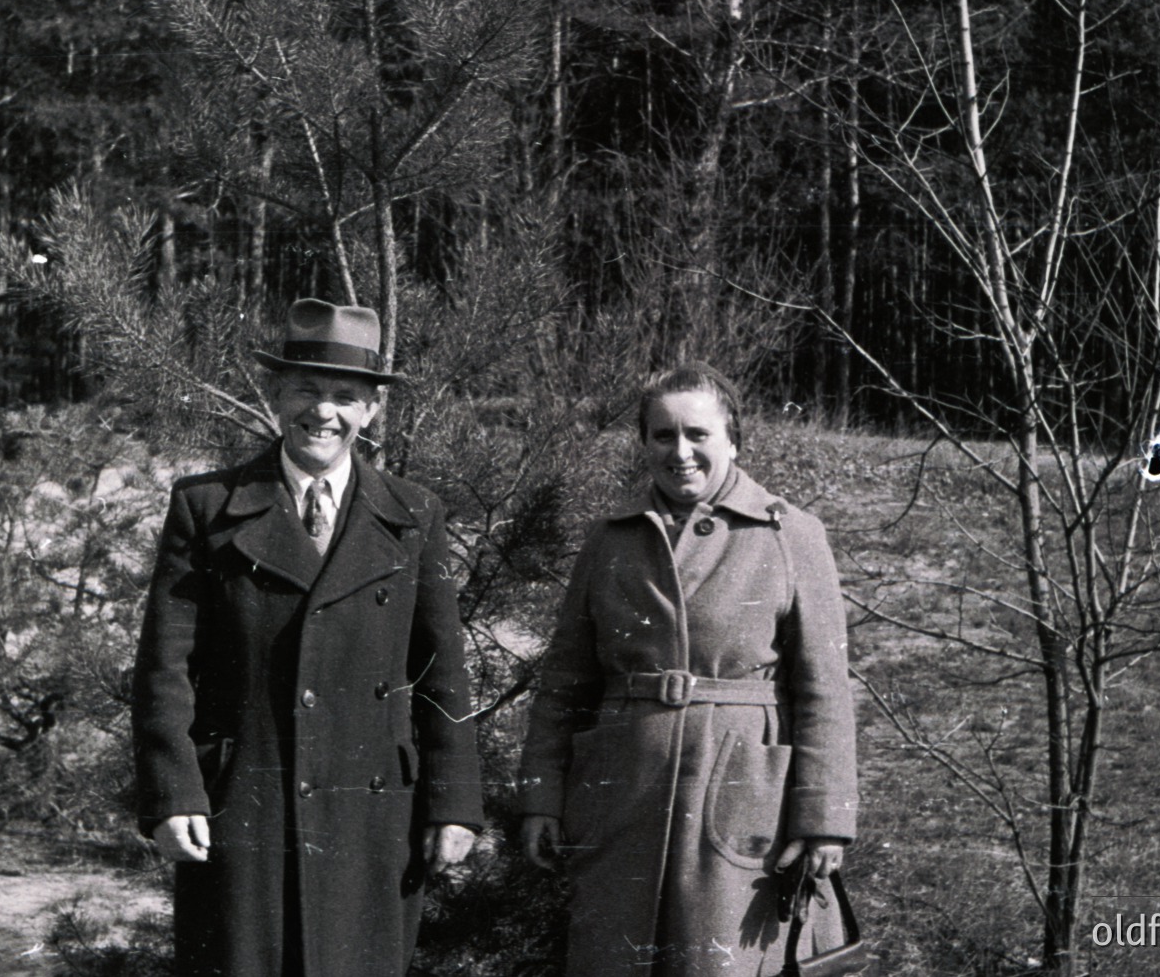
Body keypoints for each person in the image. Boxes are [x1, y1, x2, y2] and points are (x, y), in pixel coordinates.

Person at [132, 300, 483, 977]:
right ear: (276, 395)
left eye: (344, 396)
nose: (323, 411)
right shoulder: (205, 507)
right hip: (243, 805)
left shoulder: (413, 514)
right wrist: (173, 793)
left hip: (372, 816)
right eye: (306, 390)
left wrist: (454, 802)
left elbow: (444, 674)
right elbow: (164, 666)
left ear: (371, 410)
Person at [518, 363, 858, 977]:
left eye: (698, 434)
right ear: (643, 442)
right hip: (621, 794)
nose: (681, 453)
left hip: (740, 798)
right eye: (662, 435)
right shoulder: (609, 540)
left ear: (733, 438)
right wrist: (541, 794)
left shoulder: (789, 534)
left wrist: (824, 820)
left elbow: (824, 689)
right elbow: (565, 682)